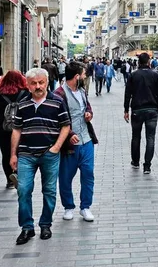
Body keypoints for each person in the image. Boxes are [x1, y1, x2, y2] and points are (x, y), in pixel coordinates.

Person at [10, 68, 71, 244]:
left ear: (46, 82)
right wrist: (13, 154)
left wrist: (57, 147)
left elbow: (65, 126)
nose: (38, 86)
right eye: (34, 83)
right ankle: (27, 227)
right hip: (26, 154)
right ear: (28, 85)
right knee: (23, 190)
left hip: (49, 154)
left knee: (49, 191)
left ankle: (45, 224)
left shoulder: (57, 102)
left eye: (41, 82)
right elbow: (16, 129)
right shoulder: (22, 103)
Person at [55, 61, 97, 222]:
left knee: (88, 174)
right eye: (84, 74)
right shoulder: (59, 94)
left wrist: (88, 113)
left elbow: (88, 107)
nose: (86, 77)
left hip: (86, 140)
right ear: (77, 76)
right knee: (66, 176)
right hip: (69, 144)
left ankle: (85, 207)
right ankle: (68, 207)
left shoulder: (82, 91)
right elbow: (56, 119)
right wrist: (69, 133)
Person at [0, 70, 27, 188]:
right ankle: (18, 174)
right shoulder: (25, 93)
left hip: (3, 129)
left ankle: (9, 179)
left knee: (6, 153)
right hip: (21, 128)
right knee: (19, 152)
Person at [124, 52, 158, 174]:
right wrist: (157, 106)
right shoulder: (155, 75)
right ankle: (147, 166)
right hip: (152, 110)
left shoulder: (133, 75)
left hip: (137, 110)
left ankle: (135, 162)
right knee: (150, 137)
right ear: (148, 62)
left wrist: (126, 109)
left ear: (139, 62)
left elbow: (127, 94)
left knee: (136, 136)